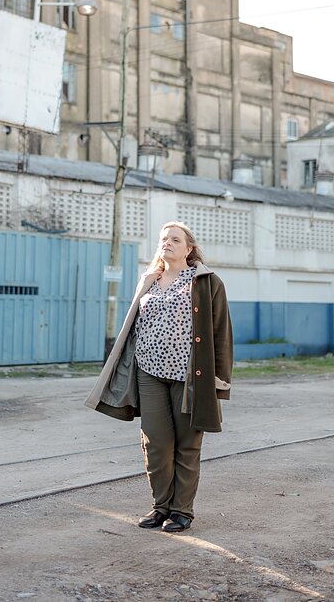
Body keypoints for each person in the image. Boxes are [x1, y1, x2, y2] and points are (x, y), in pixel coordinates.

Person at [85, 221, 234, 534]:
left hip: (189, 376)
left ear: (189, 248)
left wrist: (221, 377)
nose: (167, 242)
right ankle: (160, 506)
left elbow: (221, 331)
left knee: (187, 445)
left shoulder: (206, 281)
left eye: (175, 239)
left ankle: (181, 512)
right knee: (155, 444)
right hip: (148, 372)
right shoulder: (149, 279)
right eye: (164, 238)